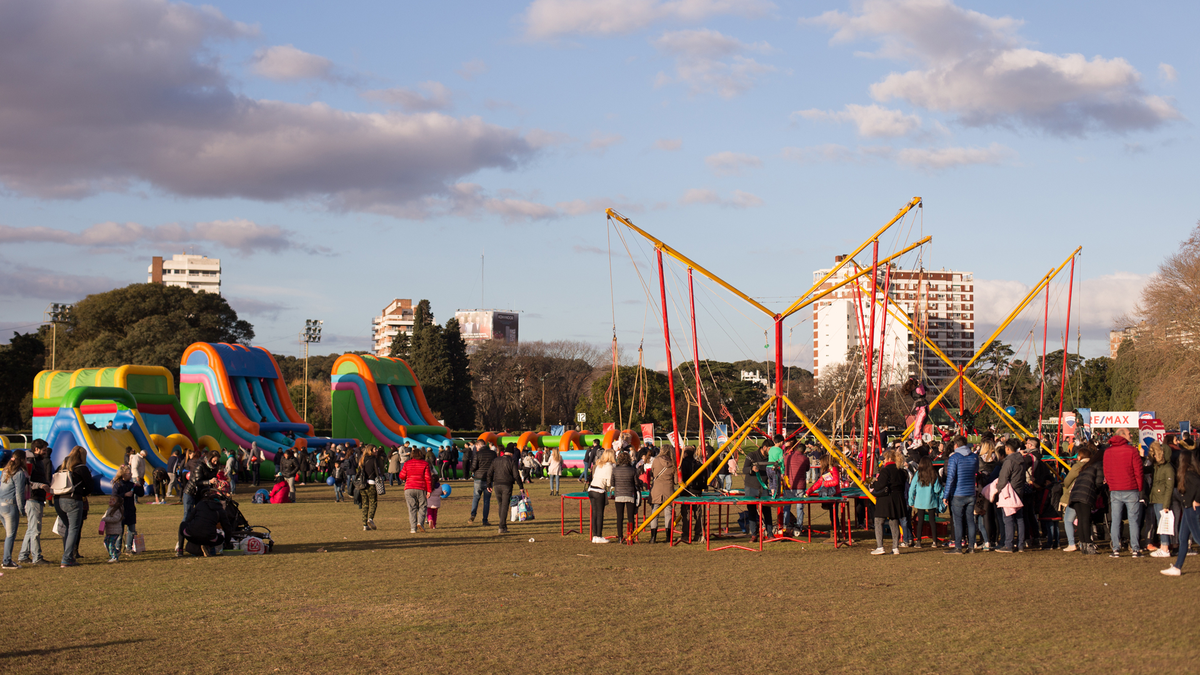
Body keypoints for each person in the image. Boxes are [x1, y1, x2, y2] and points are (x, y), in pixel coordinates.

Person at [1103, 428, 1144, 558]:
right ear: (1122, 435)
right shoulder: (1132, 451)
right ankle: (1135, 548)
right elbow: (1138, 470)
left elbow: (1106, 471)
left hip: (1115, 489)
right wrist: (1139, 487)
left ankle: (1116, 548)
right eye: (1128, 433)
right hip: (1131, 488)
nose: (1131, 435)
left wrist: (1111, 484)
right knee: (1133, 520)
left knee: (1116, 520)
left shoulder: (1108, 452)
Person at [1161, 452, 1200, 576]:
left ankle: (1177, 567)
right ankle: (1177, 567)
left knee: (1198, 537)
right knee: (1183, 538)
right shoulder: (1189, 473)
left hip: (1192, 509)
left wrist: (1197, 500)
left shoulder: (1190, 474)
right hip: (1187, 508)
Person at [54, 446, 93, 567]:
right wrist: (82, 493)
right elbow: (90, 487)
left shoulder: (61, 467)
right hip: (73, 499)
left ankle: (68, 555)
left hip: (58, 499)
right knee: (73, 529)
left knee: (67, 528)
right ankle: (67, 558)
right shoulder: (82, 469)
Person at [176, 450, 218, 557]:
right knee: (187, 517)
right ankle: (180, 547)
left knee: (202, 518)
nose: (215, 463)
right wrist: (209, 482)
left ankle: (200, 546)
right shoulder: (200, 465)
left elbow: (211, 479)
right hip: (190, 492)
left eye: (217, 461)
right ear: (209, 459)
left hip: (201, 494)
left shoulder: (215, 467)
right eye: (214, 461)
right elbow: (197, 481)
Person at [993, 438, 1030, 553]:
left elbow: (1003, 478)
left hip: (1009, 493)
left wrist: (997, 489)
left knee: (1008, 519)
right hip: (1019, 490)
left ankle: (1008, 544)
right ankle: (1020, 544)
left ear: (1008, 448)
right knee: (1019, 518)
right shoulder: (1021, 460)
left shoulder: (1009, 461)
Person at [942, 435, 977, 554]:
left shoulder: (954, 458)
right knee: (970, 520)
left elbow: (950, 477)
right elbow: (976, 472)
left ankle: (958, 546)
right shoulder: (974, 457)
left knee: (958, 521)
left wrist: (946, 495)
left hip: (958, 493)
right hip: (971, 492)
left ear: (956, 445)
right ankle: (971, 546)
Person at [1067, 443, 1104, 555]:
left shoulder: (1087, 466)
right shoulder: (1099, 465)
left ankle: (1084, 544)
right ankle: (1088, 543)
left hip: (1075, 494)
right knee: (1086, 519)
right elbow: (1098, 482)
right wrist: (1098, 491)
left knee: (1081, 519)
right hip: (1086, 494)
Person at [18, 441, 50, 565]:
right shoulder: (30, 461)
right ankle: (37, 557)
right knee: (35, 529)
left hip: (37, 497)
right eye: (44, 450)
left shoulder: (38, 461)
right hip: (33, 498)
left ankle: (23, 555)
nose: (45, 453)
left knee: (31, 528)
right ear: (36, 449)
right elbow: (27, 481)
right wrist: (41, 485)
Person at [1059, 443, 1094, 553]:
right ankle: (1086, 541)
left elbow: (1067, 480)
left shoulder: (1078, 466)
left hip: (1075, 495)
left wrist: (1066, 485)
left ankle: (1072, 543)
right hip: (1089, 495)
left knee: (1068, 520)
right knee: (1084, 519)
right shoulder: (1093, 465)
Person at [871, 449, 906, 555]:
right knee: (894, 521)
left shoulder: (886, 470)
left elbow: (880, 485)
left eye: (884, 459)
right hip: (897, 498)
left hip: (886, 498)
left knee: (878, 521)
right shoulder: (901, 470)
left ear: (889, 459)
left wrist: (873, 484)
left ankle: (880, 547)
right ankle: (895, 547)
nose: (883, 461)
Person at [179, 490, 233, 557]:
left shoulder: (200, 504)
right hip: (209, 538)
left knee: (182, 525)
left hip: (192, 535)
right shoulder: (220, 510)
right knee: (220, 538)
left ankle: (180, 550)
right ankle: (208, 546)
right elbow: (227, 528)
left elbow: (189, 519)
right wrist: (227, 543)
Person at [486, 445, 524, 536]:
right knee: (505, 506)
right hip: (507, 485)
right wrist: (521, 486)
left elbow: (489, 473)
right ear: (511, 453)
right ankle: (501, 526)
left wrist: (489, 484)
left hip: (496, 485)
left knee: (501, 505)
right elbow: (516, 475)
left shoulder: (496, 460)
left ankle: (503, 525)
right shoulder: (512, 461)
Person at [1147, 441, 1176, 557]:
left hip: (1162, 500)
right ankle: (1164, 546)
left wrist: (1166, 505)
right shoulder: (1157, 467)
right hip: (1156, 498)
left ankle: (1165, 548)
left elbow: (1169, 487)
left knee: (1163, 524)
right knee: (1161, 523)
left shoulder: (1168, 468)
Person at [1, 450, 29, 569]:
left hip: (1, 505)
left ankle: (6, 560)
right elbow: (19, 493)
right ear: (22, 459)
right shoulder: (19, 473)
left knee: (8, 534)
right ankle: (6, 561)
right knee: (10, 535)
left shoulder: (6, 471)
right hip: (10, 506)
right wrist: (22, 509)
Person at [397, 447, 433, 534]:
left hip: (409, 488)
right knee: (422, 506)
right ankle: (420, 522)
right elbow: (428, 478)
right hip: (421, 487)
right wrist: (429, 490)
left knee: (412, 508)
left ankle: (413, 528)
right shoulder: (425, 464)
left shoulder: (407, 463)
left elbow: (402, 476)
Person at [111, 464, 144, 555]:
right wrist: (124, 495)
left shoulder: (131, 485)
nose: (131, 475)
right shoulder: (118, 485)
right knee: (119, 531)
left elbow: (141, 494)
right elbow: (114, 497)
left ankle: (128, 548)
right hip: (120, 511)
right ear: (123, 475)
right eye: (129, 473)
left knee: (131, 530)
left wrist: (140, 486)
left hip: (130, 510)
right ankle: (118, 548)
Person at [908, 456, 942, 548]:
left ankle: (919, 541)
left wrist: (911, 501)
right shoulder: (933, 474)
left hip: (920, 501)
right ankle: (934, 541)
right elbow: (937, 489)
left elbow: (912, 488)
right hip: (931, 501)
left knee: (920, 521)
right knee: (932, 521)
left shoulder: (918, 474)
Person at [742, 443, 772, 543]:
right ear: (764, 447)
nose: (771, 451)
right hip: (751, 487)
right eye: (770, 449)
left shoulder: (770, 457)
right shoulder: (752, 455)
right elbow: (744, 469)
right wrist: (752, 469)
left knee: (767, 511)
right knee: (752, 511)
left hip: (763, 487)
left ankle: (770, 534)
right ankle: (754, 535)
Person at [781, 440, 811, 537]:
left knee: (786, 506)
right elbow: (807, 469)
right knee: (800, 507)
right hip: (800, 486)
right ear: (804, 451)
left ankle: (785, 525)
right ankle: (799, 526)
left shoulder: (787, 457)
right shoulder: (805, 459)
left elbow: (783, 466)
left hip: (788, 485)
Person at [649, 441, 677, 544]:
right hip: (668, 490)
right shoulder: (673, 463)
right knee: (668, 513)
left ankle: (653, 537)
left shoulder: (656, 461)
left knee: (654, 513)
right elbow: (676, 481)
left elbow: (652, 473)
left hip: (656, 489)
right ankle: (668, 537)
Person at [586, 449, 615, 543]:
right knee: (599, 514)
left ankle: (595, 536)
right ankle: (599, 536)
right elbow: (609, 483)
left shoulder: (599, 464)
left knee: (594, 514)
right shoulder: (610, 466)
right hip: (599, 491)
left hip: (591, 489)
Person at [678, 446, 704, 543]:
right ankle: (698, 534)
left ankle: (686, 535)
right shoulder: (698, 463)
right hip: (696, 491)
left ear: (685, 454)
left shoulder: (683, 464)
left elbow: (681, 477)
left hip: (686, 492)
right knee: (698, 514)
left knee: (686, 514)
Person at [358, 446, 386, 531]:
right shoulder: (374, 459)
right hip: (371, 483)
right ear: (370, 450)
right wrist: (379, 478)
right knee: (373, 502)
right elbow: (377, 471)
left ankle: (364, 525)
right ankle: (370, 518)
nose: (376, 450)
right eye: (374, 449)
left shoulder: (362, 459)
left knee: (365, 504)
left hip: (362, 484)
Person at [468, 440, 496, 526]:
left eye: (476, 446)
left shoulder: (477, 454)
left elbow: (473, 467)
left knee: (476, 498)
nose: (476, 448)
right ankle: (485, 520)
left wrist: (472, 470)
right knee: (486, 500)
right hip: (489, 479)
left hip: (478, 478)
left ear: (479, 445)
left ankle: (473, 514)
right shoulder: (493, 453)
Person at [100, 495, 124, 563]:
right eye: (110, 499)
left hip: (115, 531)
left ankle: (114, 557)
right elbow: (105, 517)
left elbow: (116, 519)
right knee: (106, 542)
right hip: (109, 530)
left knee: (111, 543)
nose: (110, 501)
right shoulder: (109, 509)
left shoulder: (118, 510)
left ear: (117, 503)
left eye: (113, 500)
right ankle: (116, 552)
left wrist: (105, 519)